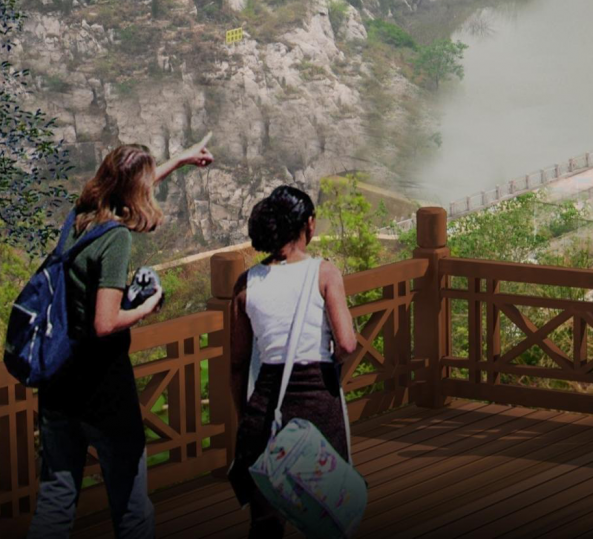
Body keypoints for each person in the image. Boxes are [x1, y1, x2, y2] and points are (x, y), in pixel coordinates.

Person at [27, 139, 213, 539]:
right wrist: (149, 305)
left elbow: (130, 189)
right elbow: (105, 323)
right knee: (130, 502)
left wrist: (177, 162)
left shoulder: (80, 217)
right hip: (103, 391)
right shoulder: (116, 241)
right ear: (135, 191)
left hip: (58, 384)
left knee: (56, 501)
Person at [229, 186, 359, 539]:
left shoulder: (246, 284)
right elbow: (347, 343)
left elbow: (238, 364)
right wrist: (334, 366)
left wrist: (246, 418)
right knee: (327, 515)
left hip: (266, 410)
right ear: (309, 225)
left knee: (266, 521)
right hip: (319, 405)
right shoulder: (325, 273)